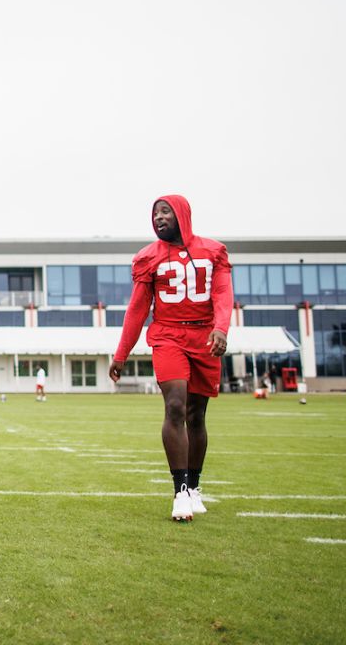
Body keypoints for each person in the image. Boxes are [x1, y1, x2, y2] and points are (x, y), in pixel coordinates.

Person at [108, 194, 232, 523]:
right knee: (175, 405)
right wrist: (121, 353)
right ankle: (179, 492)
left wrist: (221, 328)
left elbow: (222, 292)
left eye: (165, 211)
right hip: (167, 335)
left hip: (204, 335)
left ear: (182, 215)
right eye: (155, 213)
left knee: (197, 414)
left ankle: (194, 486)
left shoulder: (213, 251)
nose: (158, 218)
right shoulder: (149, 258)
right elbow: (137, 310)